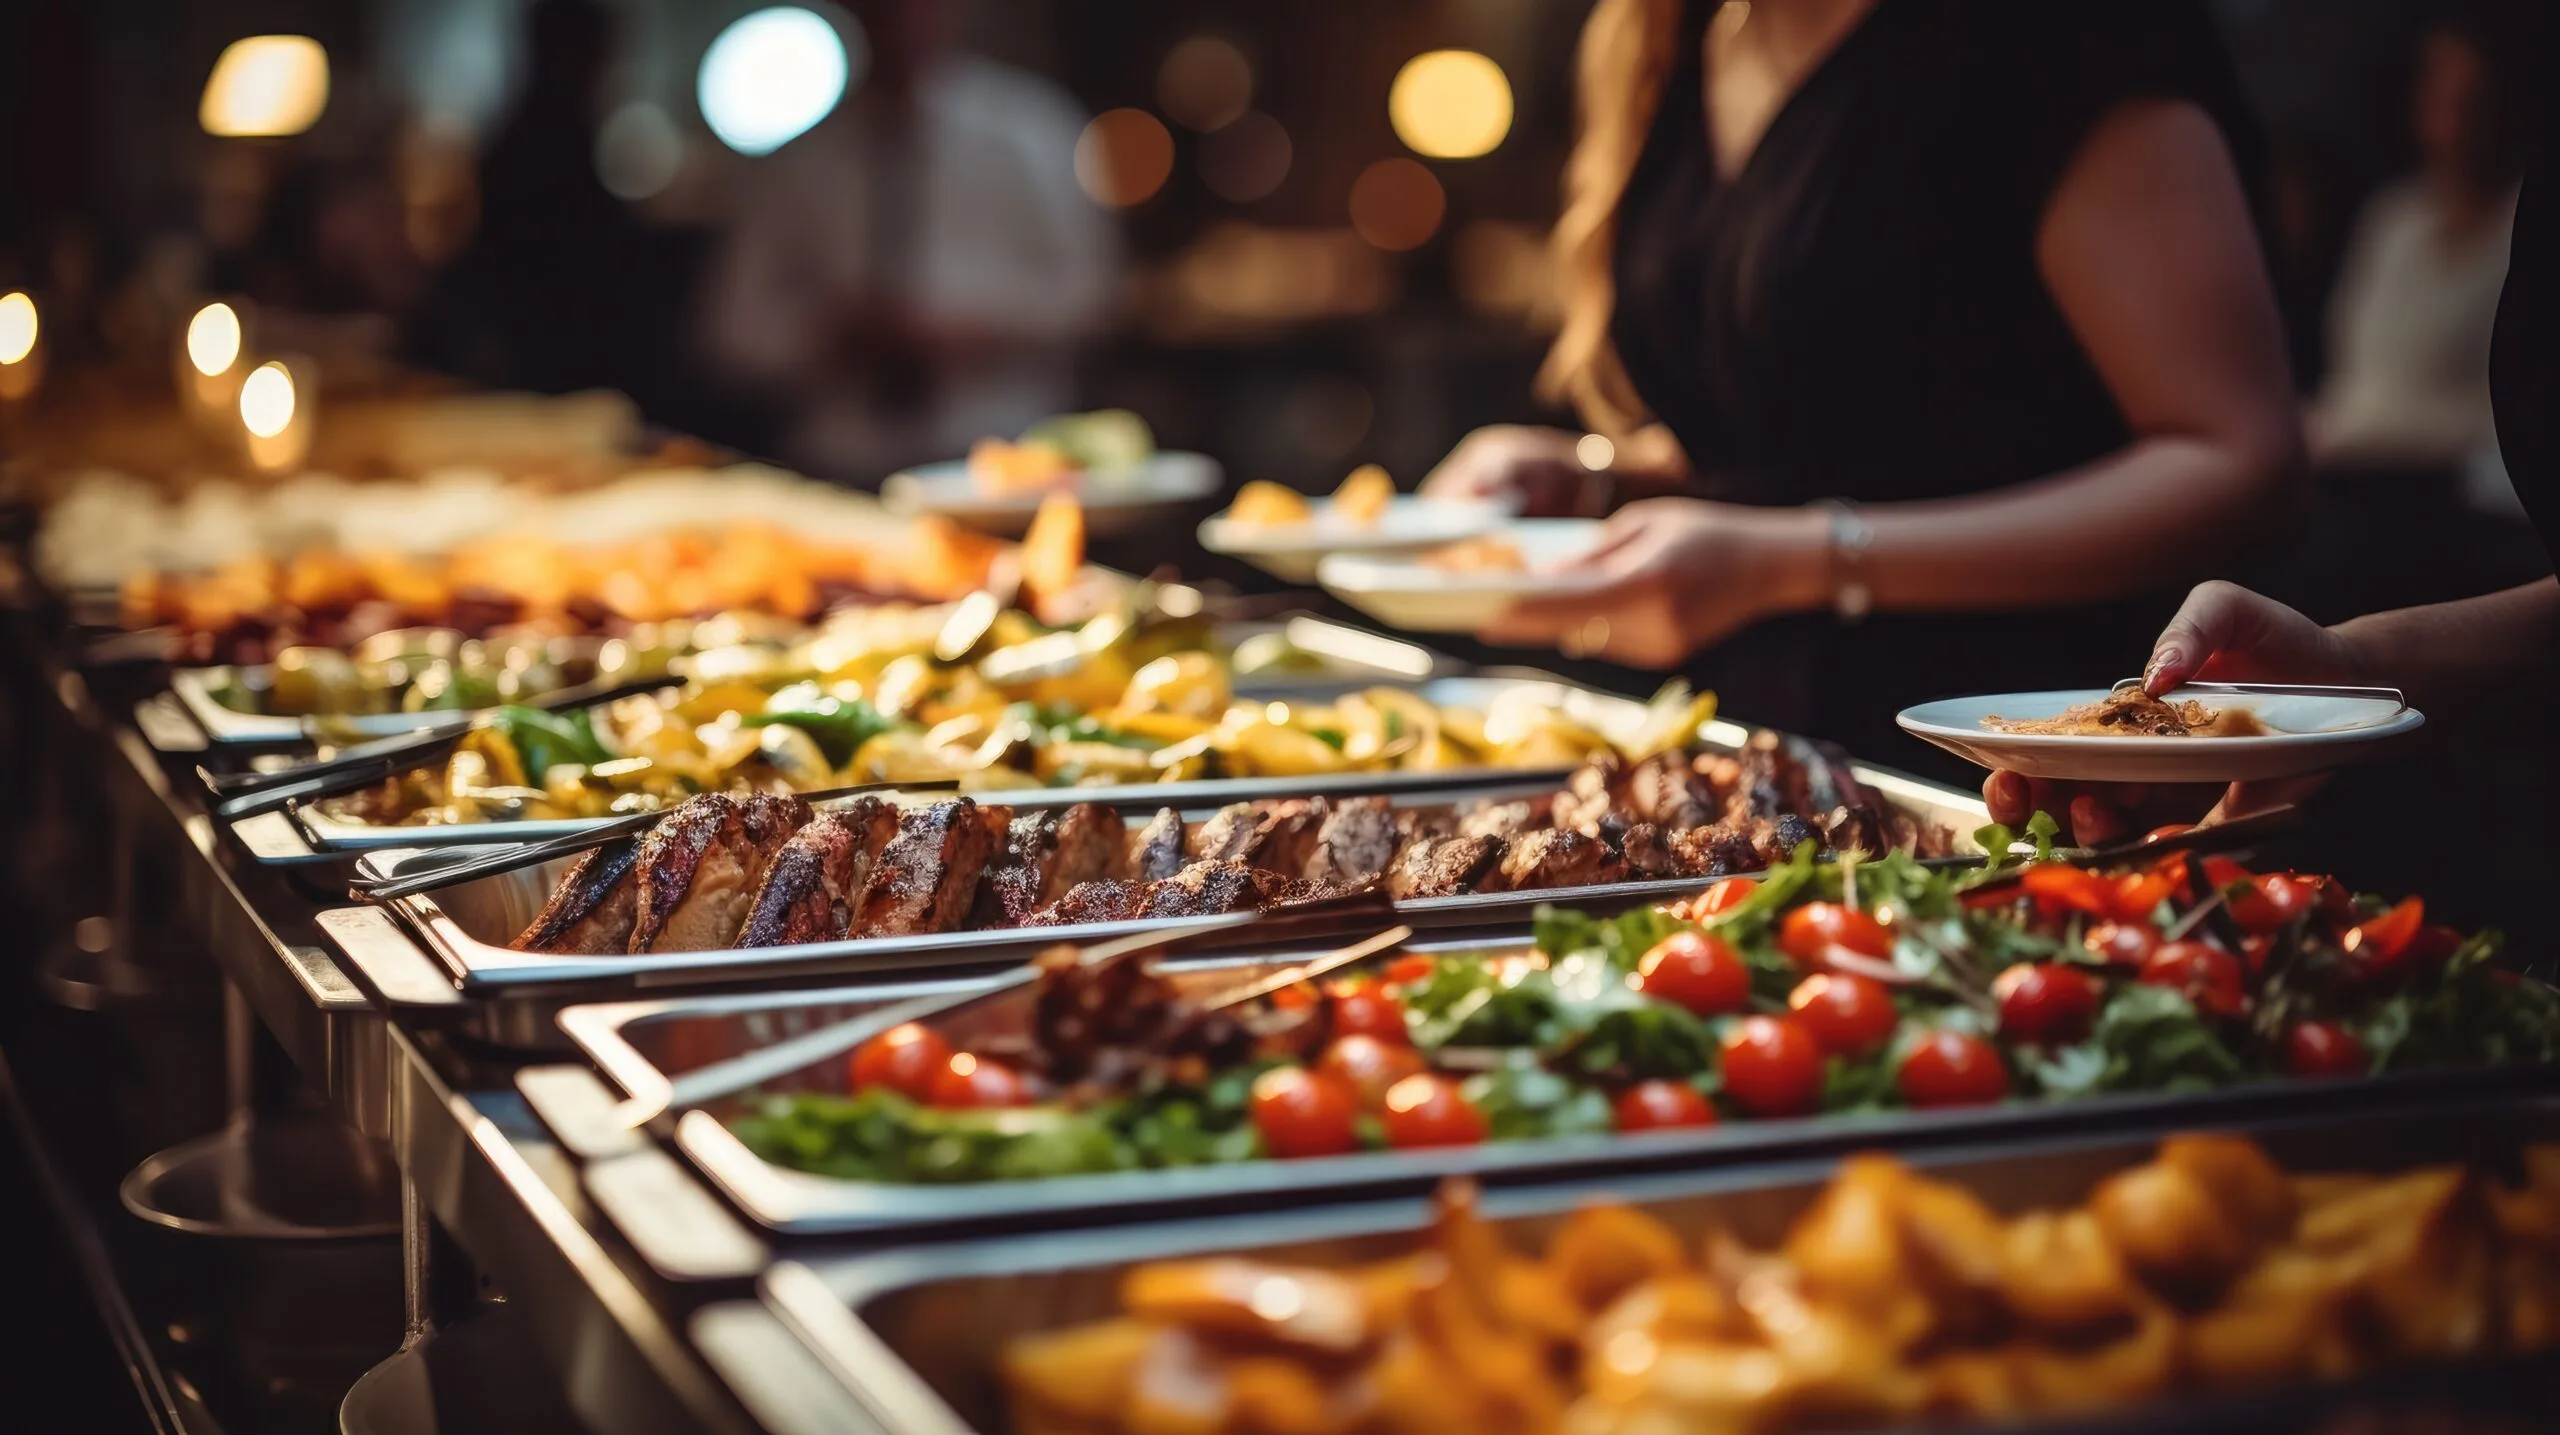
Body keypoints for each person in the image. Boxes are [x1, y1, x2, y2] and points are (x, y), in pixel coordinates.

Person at [1423, 0, 2303, 768]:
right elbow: (1820, 422)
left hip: (2023, 759)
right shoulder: (1678, 31)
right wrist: (1602, 477)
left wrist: (1797, 563)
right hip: (1748, 759)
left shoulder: (2063, 35)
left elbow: (2239, 461)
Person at [698, 0, 1115, 485]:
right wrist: (831, 333)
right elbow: (729, 331)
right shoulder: (800, 162)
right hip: (841, 459)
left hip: (1009, 458)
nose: (896, 19)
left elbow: (1096, 296)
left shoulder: (1031, 130)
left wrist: (966, 332)